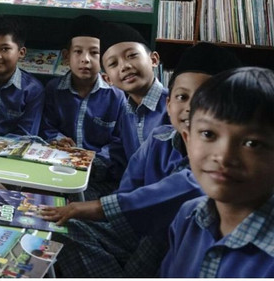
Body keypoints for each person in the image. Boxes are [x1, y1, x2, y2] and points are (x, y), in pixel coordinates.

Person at [40, 42, 242, 277]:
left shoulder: (228, 156)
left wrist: (93, 208)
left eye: (205, 98)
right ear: (170, 103)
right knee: (61, 227)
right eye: (182, 97)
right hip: (139, 224)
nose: (191, 108)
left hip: (179, 239)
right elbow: (128, 184)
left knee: (153, 240)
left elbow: (186, 187)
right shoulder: (159, 139)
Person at [160, 66, 274, 277]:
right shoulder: (188, 216)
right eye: (208, 134)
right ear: (188, 138)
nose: (224, 156)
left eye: (252, 143)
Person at [39, 15, 127, 198]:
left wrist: (92, 161)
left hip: (99, 178)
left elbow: (120, 140)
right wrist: (57, 139)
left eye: (94, 53)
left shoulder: (116, 96)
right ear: (66, 56)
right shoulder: (53, 90)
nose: (85, 59)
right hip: (56, 169)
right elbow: (46, 126)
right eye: (78, 52)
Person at [100, 22, 170, 162]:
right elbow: (119, 152)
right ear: (108, 79)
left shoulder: (175, 106)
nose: (125, 66)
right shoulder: (126, 112)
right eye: (113, 64)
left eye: (132, 55)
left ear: (154, 59)